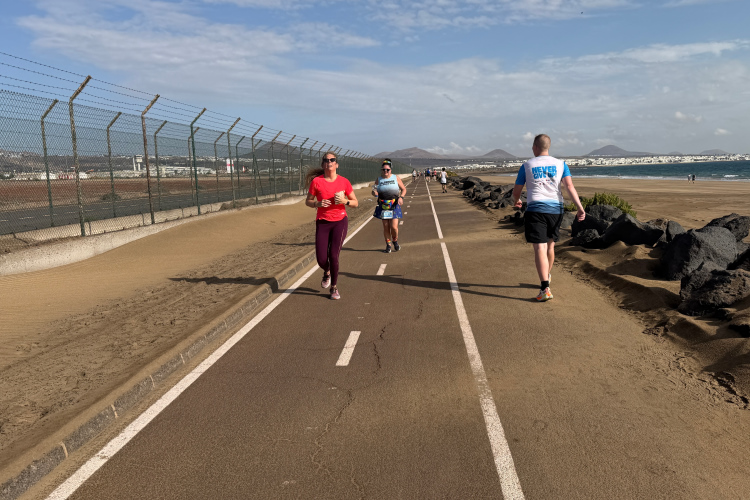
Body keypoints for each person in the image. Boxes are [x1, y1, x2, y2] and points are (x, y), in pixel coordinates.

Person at [512, 134, 585, 302]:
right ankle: (546, 277)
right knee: (550, 246)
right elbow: (569, 186)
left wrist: (516, 201)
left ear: (535, 147)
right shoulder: (561, 164)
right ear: (548, 147)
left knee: (540, 247)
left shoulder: (527, 165)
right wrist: (580, 208)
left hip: (536, 209)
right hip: (556, 210)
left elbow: (517, 190)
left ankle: (545, 288)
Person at [305, 152, 359, 300]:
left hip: (340, 222)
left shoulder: (344, 182)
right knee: (321, 259)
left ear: (336, 164)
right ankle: (327, 270)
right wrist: (317, 203)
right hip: (322, 222)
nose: (329, 161)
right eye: (326, 160)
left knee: (334, 255)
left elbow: (355, 203)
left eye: (332, 159)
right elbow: (308, 201)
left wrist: (344, 201)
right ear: (323, 164)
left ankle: (334, 287)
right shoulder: (317, 182)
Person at [372, 159, 407, 253]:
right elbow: (374, 190)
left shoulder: (396, 178)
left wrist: (401, 197)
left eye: (387, 170)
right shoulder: (379, 179)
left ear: (391, 170)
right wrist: (374, 192)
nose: (385, 171)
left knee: (394, 227)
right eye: (384, 169)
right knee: (386, 226)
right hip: (383, 205)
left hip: (394, 204)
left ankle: (395, 240)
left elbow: (404, 189)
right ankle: (388, 245)